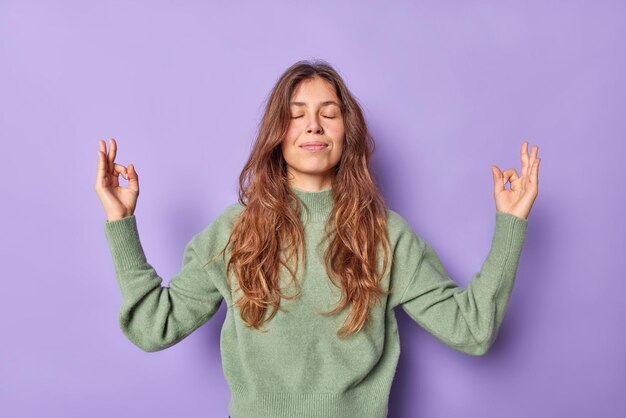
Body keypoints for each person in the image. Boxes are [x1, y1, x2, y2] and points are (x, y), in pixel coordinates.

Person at [94, 59, 540, 418]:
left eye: (329, 113)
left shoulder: (387, 235)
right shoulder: (233, 231)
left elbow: (473, 331)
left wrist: (510, 225)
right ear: (276, 135)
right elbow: (154, 327)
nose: (313, 126)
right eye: (295, 115)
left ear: (348, 133)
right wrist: (121, 223)